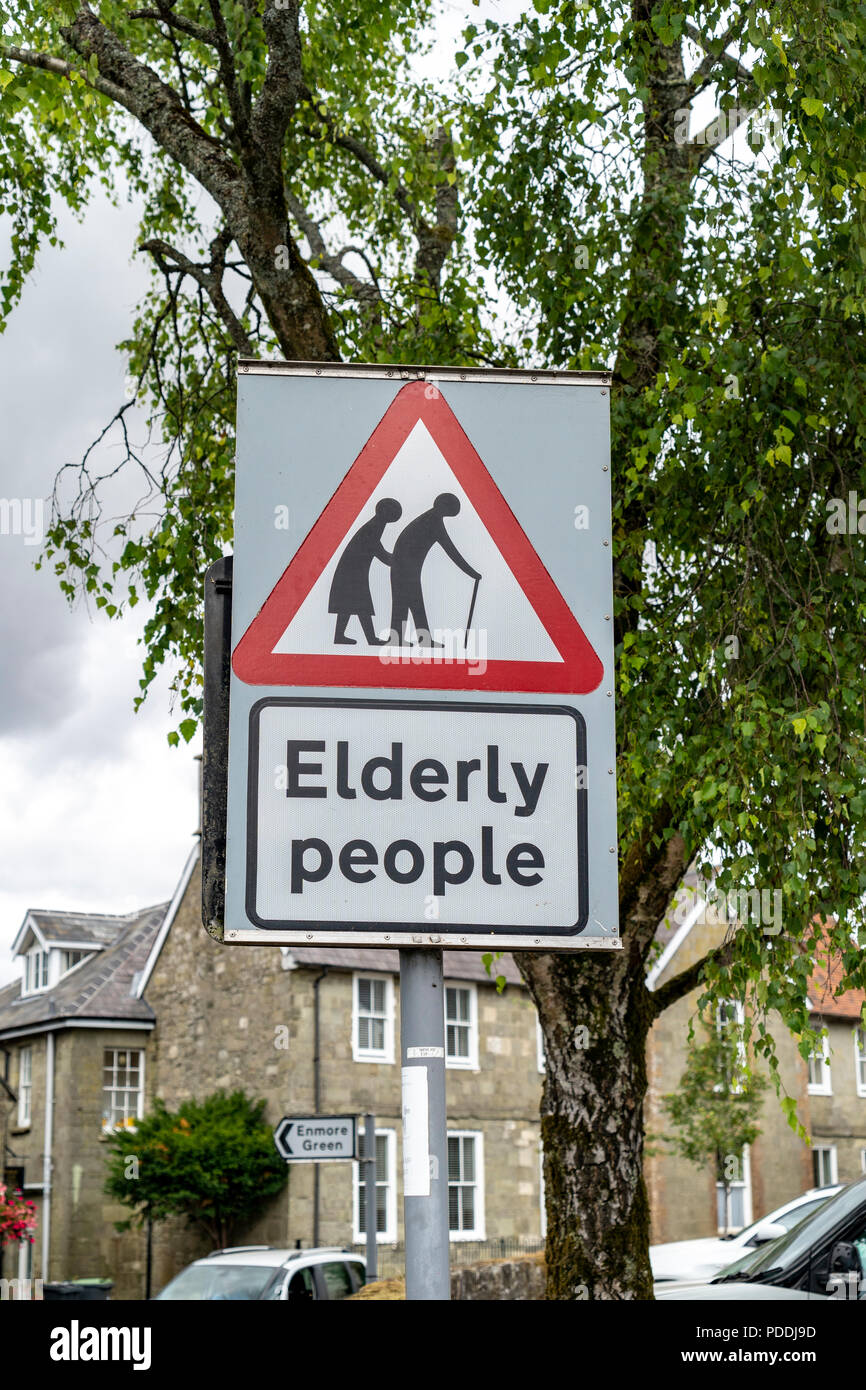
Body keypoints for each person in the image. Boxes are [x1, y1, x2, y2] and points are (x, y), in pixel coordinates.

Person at [389, 493, 480, 646]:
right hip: (405, 569)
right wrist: (472, 573)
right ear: (444, 506)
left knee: (408, 603)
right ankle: (413, 639)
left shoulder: (429, 518)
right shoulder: (433, 522)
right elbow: (451, 551)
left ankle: (408, 639)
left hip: (404, 568)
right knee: (409, 603)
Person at [328, 498, 402, 645]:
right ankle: (368, 638)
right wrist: (397, 560)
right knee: (359, 604)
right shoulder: (375, 527)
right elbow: (377, 550)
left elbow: (377, 548)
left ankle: (345, 636)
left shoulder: (376, 525)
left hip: (353, 570)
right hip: (353, 571)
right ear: (385, 512)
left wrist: (393, 559)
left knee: (352, 604)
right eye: (393, 513)